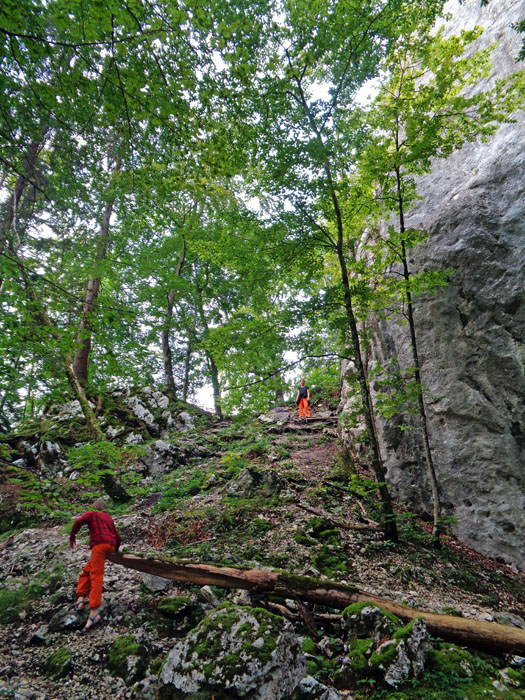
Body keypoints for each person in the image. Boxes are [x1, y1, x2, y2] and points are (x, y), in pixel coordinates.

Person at [69, 497, 121, 632]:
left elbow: (78, 521)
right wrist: (116, 550)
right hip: (110, 546)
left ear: (93, 507)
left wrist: (72, 536)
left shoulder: (91, 514)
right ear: (104, 507)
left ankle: (94, 612)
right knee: (87, 570)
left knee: (96, 575)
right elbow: (117, 536)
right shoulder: (108, 517)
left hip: (99, 546)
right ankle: (81, 598)